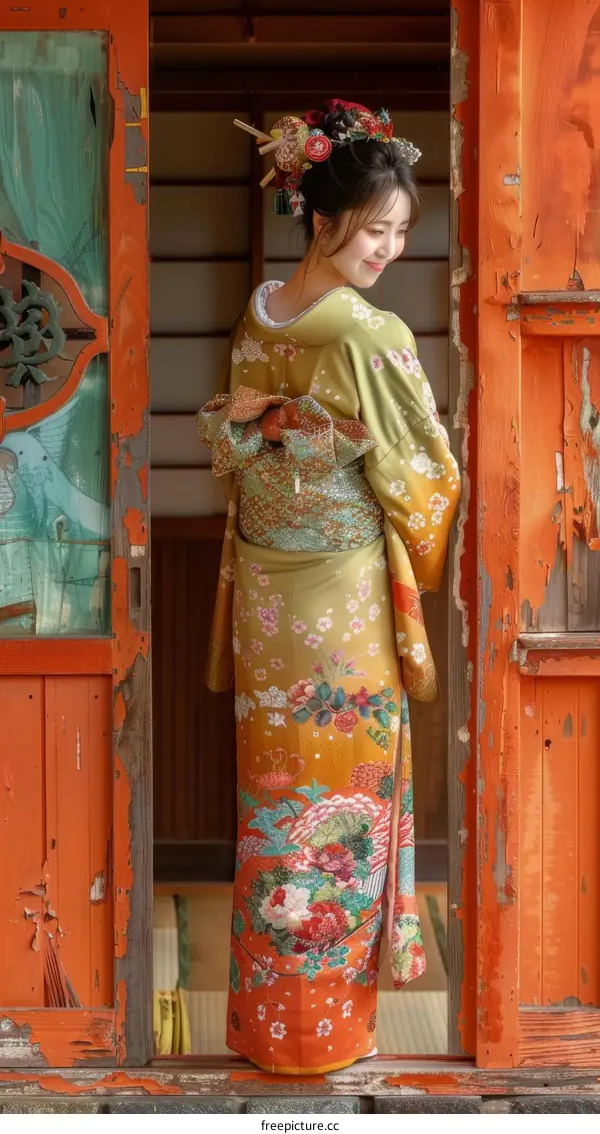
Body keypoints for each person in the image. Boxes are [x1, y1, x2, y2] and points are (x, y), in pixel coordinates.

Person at [197, 99, 460, 1075]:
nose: (387, 248)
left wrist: (272, 439)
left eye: (400, 232)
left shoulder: (260, 311)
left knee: (277, 805)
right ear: (317, 217)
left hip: (268, 595)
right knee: (339, 798)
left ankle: (268, 1027)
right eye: (374, 229)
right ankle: (329, 1034)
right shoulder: (365, 330)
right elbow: (424, 475)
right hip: (341, 601)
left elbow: (232, 445)